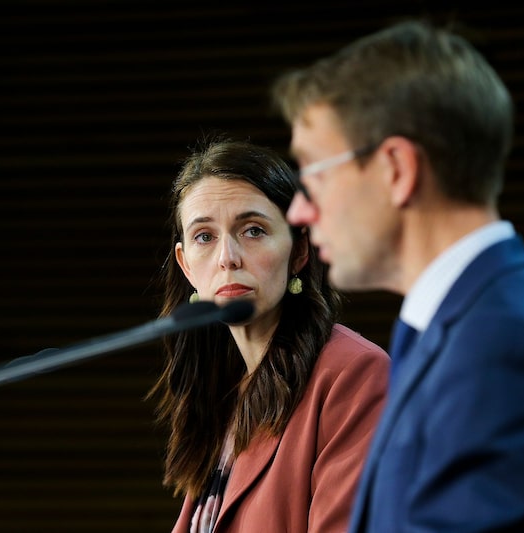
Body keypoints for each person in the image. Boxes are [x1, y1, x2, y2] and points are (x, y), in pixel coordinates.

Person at [271, 19, 524, 533]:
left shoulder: (501, 343)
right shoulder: (476, 324)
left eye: (314, 174)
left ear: (396, 169)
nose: (300, 213)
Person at [146, 137, 390, 533]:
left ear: (298, 252)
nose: (227, 257)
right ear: (186, 266)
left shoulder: (353, 375)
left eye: (253, 230)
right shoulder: (222, 394)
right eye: (204, 237)